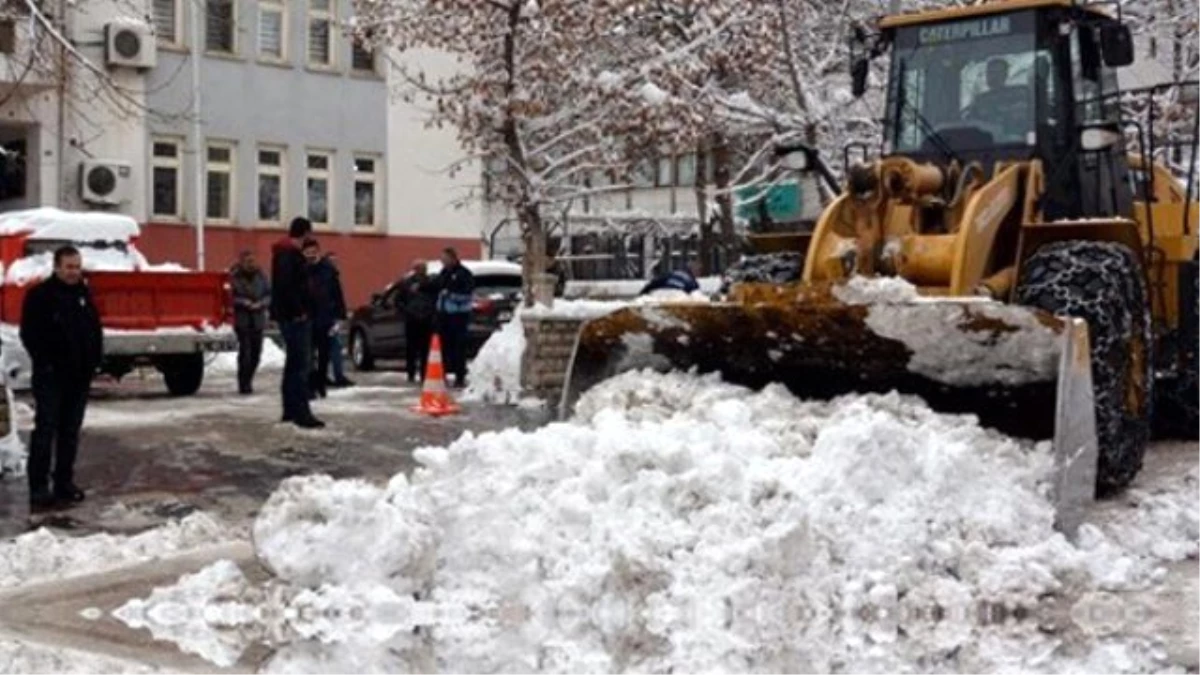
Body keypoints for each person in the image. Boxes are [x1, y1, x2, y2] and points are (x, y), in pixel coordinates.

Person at [19, 245, 103, 511]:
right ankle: (39, 487)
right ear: (56, 267)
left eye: (77, 267)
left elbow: (93, 330)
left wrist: (93, 362)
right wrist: (46, 364)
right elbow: (29, 335)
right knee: (45, 431)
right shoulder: (40, 296)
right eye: (68, 267)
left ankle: (64, 483)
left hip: (78, 378)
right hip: (51, 377)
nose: (73, 272)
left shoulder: (83, 294)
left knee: (70, 433)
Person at [271, 217, 324, 429]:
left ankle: (290, 410)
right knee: (300, 366)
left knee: (293, 365)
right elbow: (288, 287)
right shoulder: (289, 255)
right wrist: (299, 311)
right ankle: (301, 412)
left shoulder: (284, 253)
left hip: (290, 316)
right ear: (305, 233)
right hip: (295, 318)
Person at [303, 238, 348, 399]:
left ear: (318, 251)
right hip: (306, 318)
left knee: (324, 354)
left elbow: (337, 293)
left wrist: (340, 315)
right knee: (308, 355)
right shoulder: (301, 269)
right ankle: (310, 386)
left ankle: (321, 383)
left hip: (325, 318)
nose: (310, 255)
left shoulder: (328, 269)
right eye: (307, 252)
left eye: (313, 251)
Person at [229, 250, 270, 395]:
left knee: (256, 354)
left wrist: (262, 303)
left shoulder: (261, 276)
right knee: (245, 354)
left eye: (253, 261)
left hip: (258, 320)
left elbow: (269, 294)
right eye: (248, 262)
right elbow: (230, 297)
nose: (251, 264)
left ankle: (249, 378)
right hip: (243, 321)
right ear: (241, 262)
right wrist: (243, 302)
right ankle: (243, 383)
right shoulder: (234, 277)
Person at [435, 248, 475, 389]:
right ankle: (444, 373)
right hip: (444, 315)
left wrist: (451, 295)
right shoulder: (444, 273)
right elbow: (437, 288)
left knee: (459, 347)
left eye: (445, 259)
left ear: (453, 258)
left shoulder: (463, 274)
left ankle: (460, 376)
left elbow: (468, 293)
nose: (443, 262)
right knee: (444, 347)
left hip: (458, 316)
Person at [401, 261, 439, 383]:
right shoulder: (407, 283)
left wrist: (431, 312)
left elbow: (435, 295)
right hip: (412, 319)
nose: (422, 271)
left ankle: (424, 373)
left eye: (424, 268)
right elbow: (399, 300)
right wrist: (406, 311)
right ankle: (411, 373)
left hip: (427, 320)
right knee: (411, 348)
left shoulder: (431, 283)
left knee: (425, 349)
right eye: (420, 268)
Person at [324, 252, 354, 389]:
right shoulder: (325, 277)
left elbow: (339, 297)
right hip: (324, 317)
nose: (334, 264)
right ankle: (332, 375)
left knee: (334, 347)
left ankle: (336, 375)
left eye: (336, 261)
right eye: (332, 261)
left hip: (332, 317)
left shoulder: (333, 277)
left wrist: (341, 314)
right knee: (331, 347)